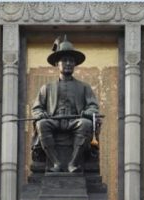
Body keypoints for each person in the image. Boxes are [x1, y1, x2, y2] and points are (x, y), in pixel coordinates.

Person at [31, 35, 100, 173]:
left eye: (71, 61)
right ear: (57, 64)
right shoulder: (47, 88)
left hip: (74, 121)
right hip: (54, 121)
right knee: (41, 124)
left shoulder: (84, 87)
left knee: (86, 124)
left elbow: (93, 107)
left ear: (75, 64)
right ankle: (55, 163)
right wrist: (41, 114)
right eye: (65, 60)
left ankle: (73, 163)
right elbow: (37, 108)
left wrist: (88, 112)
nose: (68, 63)